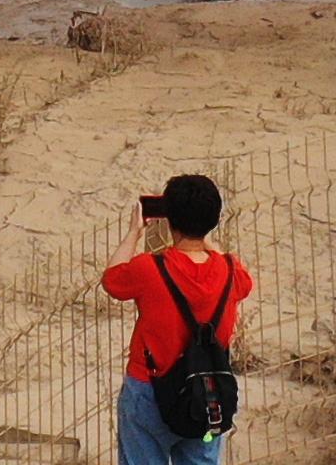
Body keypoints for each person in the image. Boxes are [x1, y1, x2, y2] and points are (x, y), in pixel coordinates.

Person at [102, 174, 253, 465]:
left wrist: (134, 231)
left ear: (169, 219)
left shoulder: (150, 269)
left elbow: (112, 280)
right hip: (206, 393)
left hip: (149, 390)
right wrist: (205, 238)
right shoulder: (231, 270)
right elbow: (241, 280)